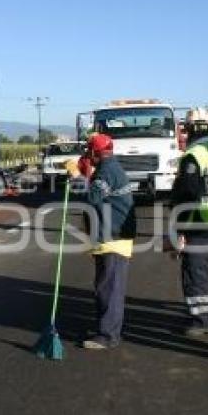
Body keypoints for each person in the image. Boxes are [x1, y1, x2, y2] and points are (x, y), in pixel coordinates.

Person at [66, 133, 136, 349]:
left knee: (109, 288)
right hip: (113, 235)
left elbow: (91, 197)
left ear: (95, 152)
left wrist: (75, 175)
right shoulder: (111, 167)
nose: (88, 155)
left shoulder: (106, 172)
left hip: (113, 238)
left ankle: (107, 335)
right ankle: (108, 329)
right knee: (107, 286)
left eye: (89, 152)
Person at [170, 108, 208, 335]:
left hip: (200, 222)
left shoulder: (193, 156)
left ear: (192, 129)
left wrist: (179, 229)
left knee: (196, 273)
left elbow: (186, 195)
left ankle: (201, 320)